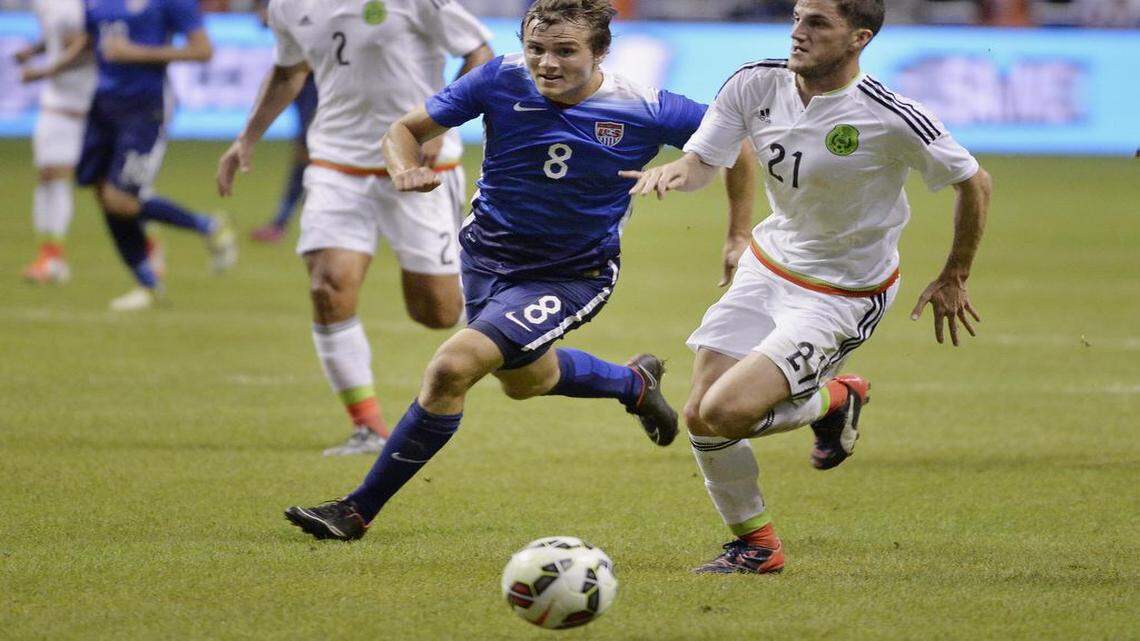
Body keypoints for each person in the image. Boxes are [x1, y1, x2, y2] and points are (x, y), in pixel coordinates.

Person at [281, 0, 756, 542]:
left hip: (571, 274)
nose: (546, 63)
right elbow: (403, 130)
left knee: (451, 368)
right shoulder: (500, 78)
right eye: (537, 49)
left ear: (600, 51)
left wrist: (737, 234)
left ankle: (356, 509)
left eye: (565, 51)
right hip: (484, 258)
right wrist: (405, 169)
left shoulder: (646, 106)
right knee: (527, 381)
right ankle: (633, 384)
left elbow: (736, 143)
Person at [624, 0, 992, 574]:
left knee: (724, 412)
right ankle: (757, 545)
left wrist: (956, 273)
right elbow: (705, 159)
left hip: (842, 294)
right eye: (797, 17)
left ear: (858, 38)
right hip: (768, 264)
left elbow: (975, 181)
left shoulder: (891, 115)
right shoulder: (754, 82)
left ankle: (834, 398)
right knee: (700, 415)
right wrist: (680, 171)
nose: (798, 32)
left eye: (818, 22)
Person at [216, 0, 494, 456]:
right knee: (329, 286)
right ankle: (368, 428)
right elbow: (289, 71)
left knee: (437, 312)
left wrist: (440, 125)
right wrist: (245, 138)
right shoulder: (288, 6)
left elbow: (478, 51)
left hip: (417, 164)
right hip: (335, 164)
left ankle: (506, 318)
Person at [78, 0, 237, 311]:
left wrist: (136, 53)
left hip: (145, 108)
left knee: (120, 199)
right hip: (102, 106)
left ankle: (207, 226)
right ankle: (147, 284)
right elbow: (90, 42)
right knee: (103, 194)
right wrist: (45, 63)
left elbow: (203, 50)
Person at [15, 0, 96, 285]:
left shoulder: (76, 6)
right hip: (56, 102)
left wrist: (45, 70)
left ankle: (149, 247)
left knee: (114, 191)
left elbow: (88, 47)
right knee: (49, 176)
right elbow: (59, 39)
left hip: (90, 103)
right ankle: (51, 257)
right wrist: (35, 51)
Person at [247, 0, 318, 244]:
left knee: (311, 153)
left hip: (328, 80)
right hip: (305, 80)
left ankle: (283, 222)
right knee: (309, 153)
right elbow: (264, 17)